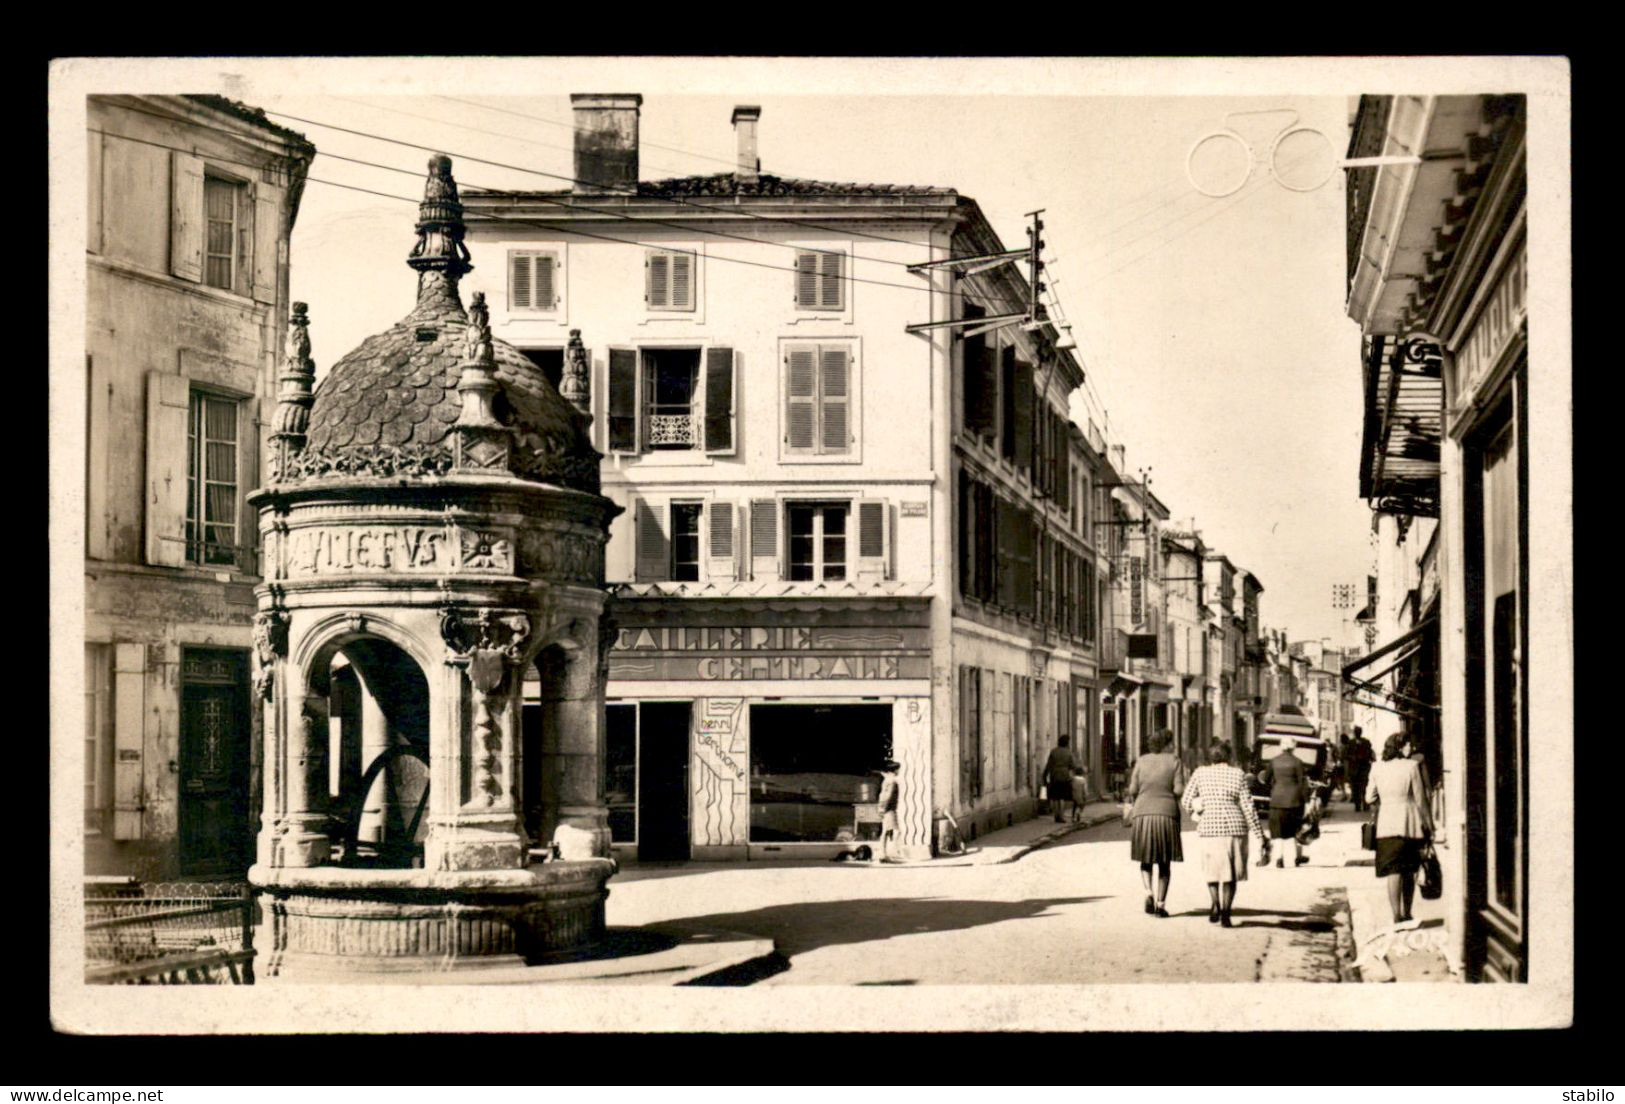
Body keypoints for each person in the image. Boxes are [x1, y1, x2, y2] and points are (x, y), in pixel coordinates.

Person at [1182, 743, 1271, 927]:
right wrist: (1260, 835)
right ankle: (1226, 912)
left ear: (1210, 758)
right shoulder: (1237, 774)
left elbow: (1186, 799)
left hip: (1209, 828)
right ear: (1228, 757)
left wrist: (1196, 814)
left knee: (1212, 870)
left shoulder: (1200, 773)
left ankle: (1215, 903)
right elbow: (1248, 807)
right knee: (1230, 873)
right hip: (1234, 828)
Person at [1366, 734, 1433, 924]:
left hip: (1387, 824)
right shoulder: (1411, 767)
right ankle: (1407, 912)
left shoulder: (1376, 767)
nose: (1410, 746)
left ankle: (1395, 915)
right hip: (1409, 823)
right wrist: (1429, 824)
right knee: (1409, 870)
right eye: (1407, 744)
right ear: (1399, 747)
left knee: (1393, 871)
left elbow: (1369, 798)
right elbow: (1420, 799)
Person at [1124, 729, 1185, 918]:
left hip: (1143, 813)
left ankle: (1148, 892)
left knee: (1146, 858)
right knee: (1164, 863)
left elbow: (1133, 789)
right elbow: (1178, 789)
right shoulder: (1174, 761)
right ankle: (1161, 905)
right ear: (1166, 744)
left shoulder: (1141, 761)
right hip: (1166, 813)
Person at [1259, 735, 1311, 867]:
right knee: (1294, 830)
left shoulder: (1273, 761)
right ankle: (1295, 858)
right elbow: (1302, 783)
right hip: (1294, 801)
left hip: (1277, 801)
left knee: (1277, 832)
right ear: (1293, 747)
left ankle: (1279, 859)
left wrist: (1274, 787)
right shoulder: (1298, 762)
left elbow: (1265, 779)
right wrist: (1307, 801)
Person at [1043, 736, 1081, 824]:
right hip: (1064, 776)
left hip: (1054, 775)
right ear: (1067, 743)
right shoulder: (1068, 753)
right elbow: (1073, 765)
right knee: (1062, 797)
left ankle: (1056, 815)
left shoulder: (1053, 751)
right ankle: (1061, 816)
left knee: (1056, 797)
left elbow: (1049, 765)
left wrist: (1045, 775)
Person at [1346, 726, 1375, 812]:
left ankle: (1366, 805)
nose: (1357, 733)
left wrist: (1364, 757)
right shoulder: (1350, 743)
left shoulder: (1366, 742)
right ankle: (1357, 805)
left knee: (1364, 787)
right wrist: (1353, 757)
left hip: (1364, 768)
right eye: (1356, 732)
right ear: (1355, 733)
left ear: (1361, 732)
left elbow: (1369, 753)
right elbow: (1346, 755)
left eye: (1359, 731)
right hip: (1354, 769)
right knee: (1355, 788)